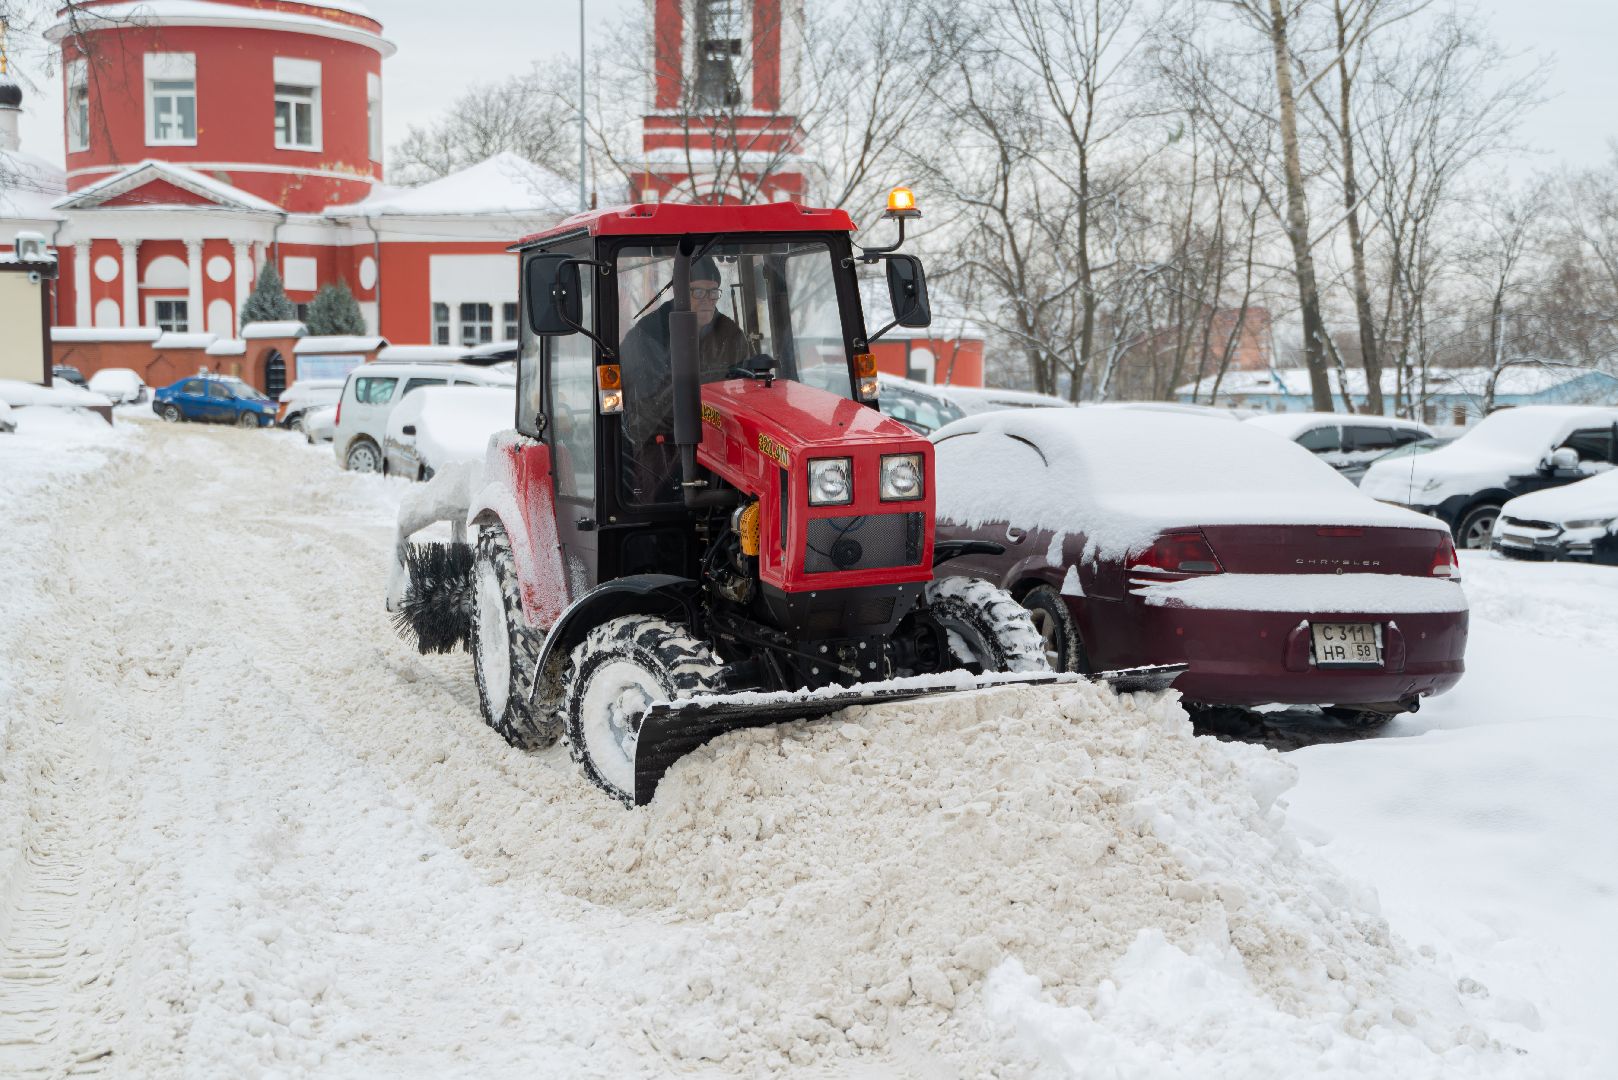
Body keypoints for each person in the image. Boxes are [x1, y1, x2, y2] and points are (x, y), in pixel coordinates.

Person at [619, 256, 752, 500]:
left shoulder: (730, 334)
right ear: (680, 292)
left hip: (720, 441)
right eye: (698, 292)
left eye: (713, 292)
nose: (707, 300)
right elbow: (643, 411)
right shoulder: (647, 336)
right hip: (660, 446)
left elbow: (746, 388)